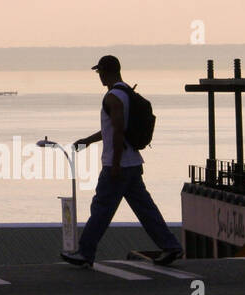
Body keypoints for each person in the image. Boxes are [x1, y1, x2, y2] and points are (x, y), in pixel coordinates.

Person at [61, 55, 184, 268]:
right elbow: (113, 129)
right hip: (133, 164)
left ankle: (85, 253)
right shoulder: (126, 92)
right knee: (145, 209)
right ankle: (171, 246)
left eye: (99, 72)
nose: (98, 76)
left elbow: (118, 132)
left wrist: (115, 164)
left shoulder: (112, 97)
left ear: (106, 72)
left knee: (101, 209)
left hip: (118, 165)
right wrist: (88, 141)